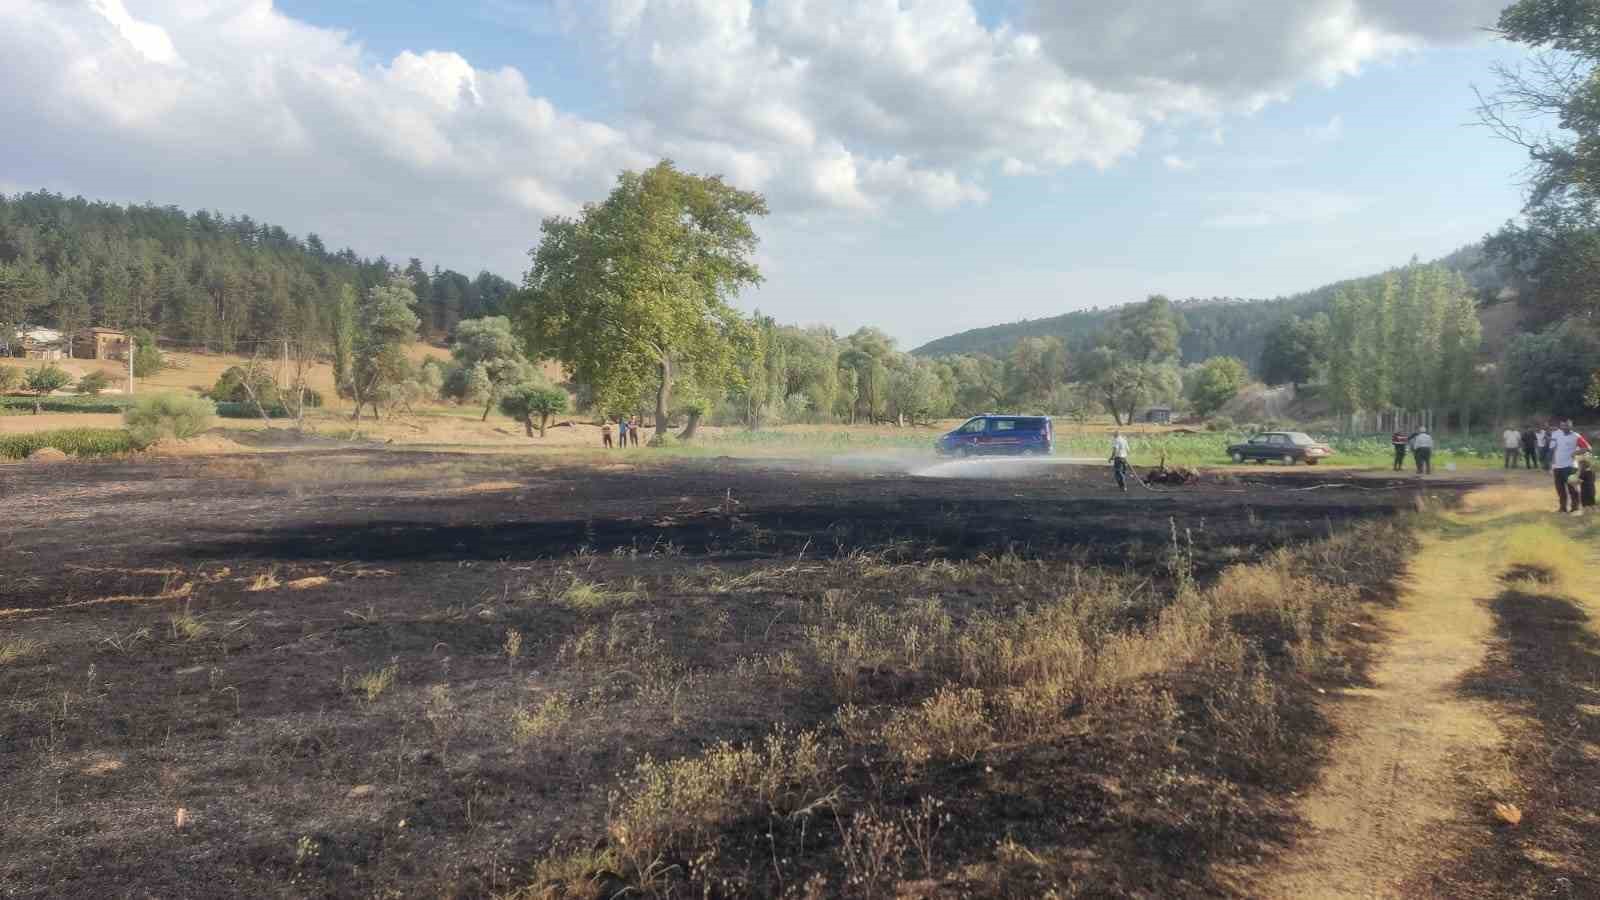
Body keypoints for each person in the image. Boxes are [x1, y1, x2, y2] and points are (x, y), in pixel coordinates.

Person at [1549, 420, 1582, 514]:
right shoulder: (1556, 435)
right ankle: (1563, 508)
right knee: (1560, 489)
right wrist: (1552, 464)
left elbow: (1587, 447)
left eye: (1567, 425)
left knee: (1572, 489)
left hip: (1570, 467)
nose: (1564, 427)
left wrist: (1575, 453)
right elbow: (1553, 449)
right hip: (1557, 467)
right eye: (1562, 425)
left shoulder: (1576, 436)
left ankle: (1575, 508)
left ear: (1571, 426)